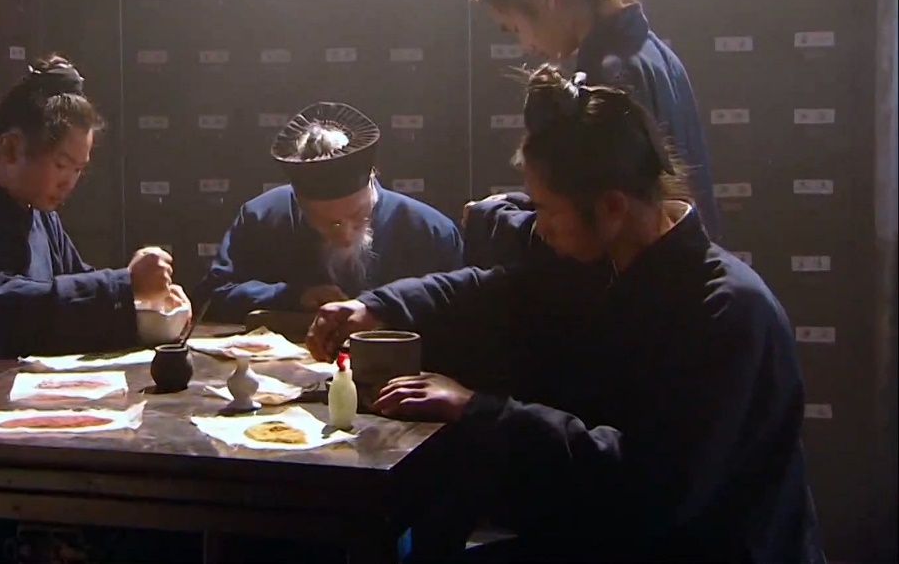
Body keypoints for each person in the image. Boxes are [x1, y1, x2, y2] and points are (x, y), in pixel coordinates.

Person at [307, 66, 824, 564]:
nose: (538, 226)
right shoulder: (604, 264)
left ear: (612, 207)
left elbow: (643, 484)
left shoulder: (725, 313)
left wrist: (478, 409)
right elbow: (489, 293)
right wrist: (377, 307)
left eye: (548, 209)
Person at [466, 0, 722, 242]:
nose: (526, 46)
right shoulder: (652, 51)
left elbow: (599, 224)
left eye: (515, 28)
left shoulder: (608, 78)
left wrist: (494, 218)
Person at [0, 54, 184, 361]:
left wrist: (149, 305)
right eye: (61, 165)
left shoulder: (42, 217)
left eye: (78, 170)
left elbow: (78, 290)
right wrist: (123, 286)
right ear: (10, 148)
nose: (69, 183)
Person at [195, 101, 463, 324]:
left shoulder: (429, 230)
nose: (345, 235)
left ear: (372, 178)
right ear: (298, 200)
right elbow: (212, 298)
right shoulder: (262, 217)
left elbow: (462, 314)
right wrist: (292, 296)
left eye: (358, 215)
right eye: (327, 223)